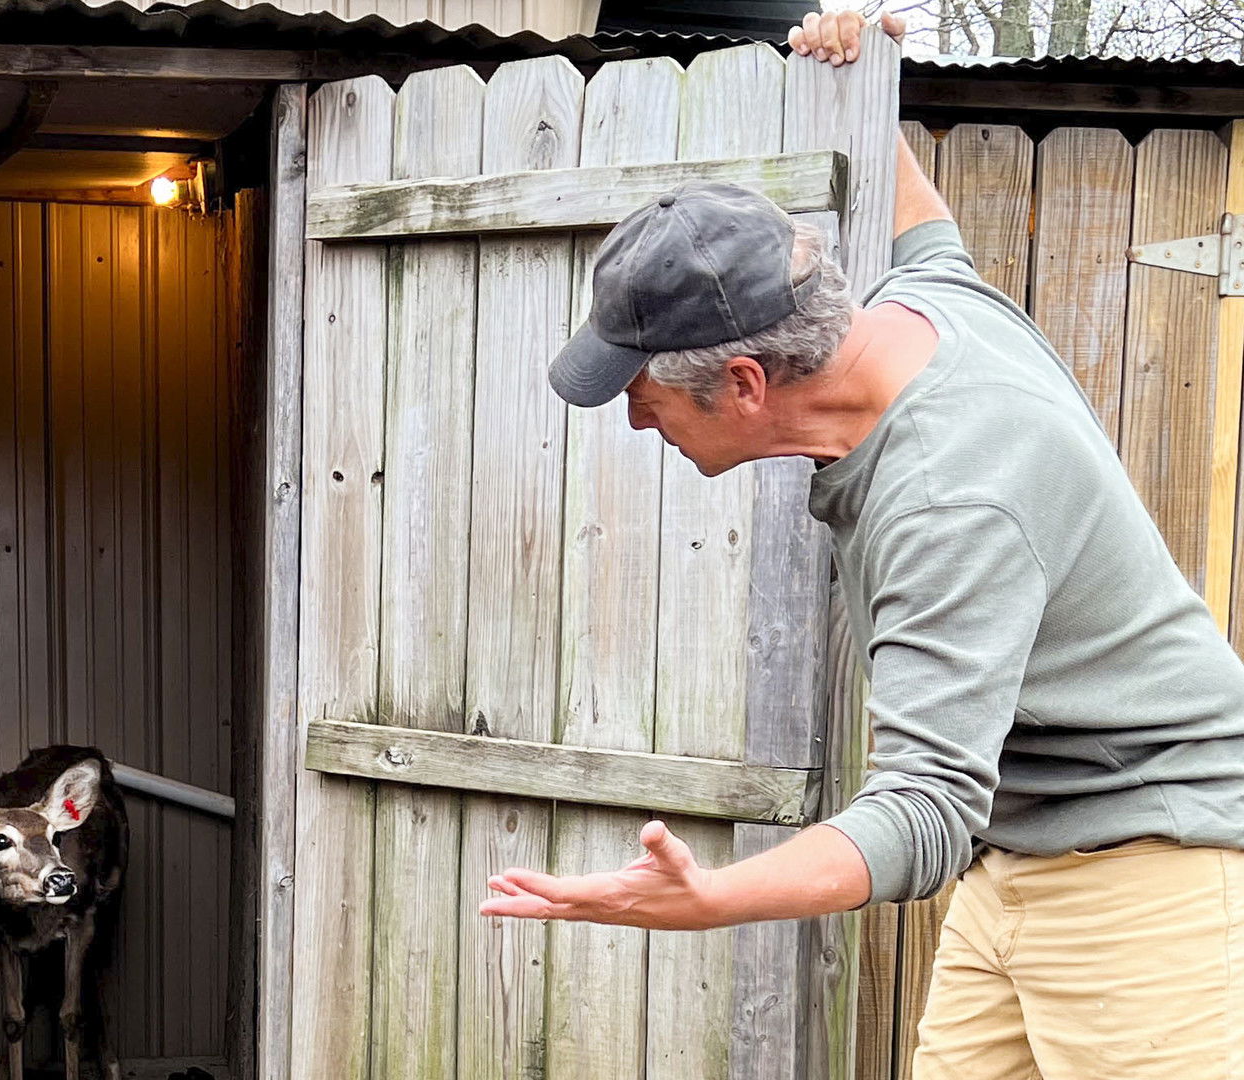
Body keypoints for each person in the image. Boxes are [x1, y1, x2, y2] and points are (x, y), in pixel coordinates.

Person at [480, 11, 1244, 1078]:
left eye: (643, 391)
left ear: (744, 382)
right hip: (1024, 862)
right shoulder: (924, 306)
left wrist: (710, 900)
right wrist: (856, 58)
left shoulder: (952, 498)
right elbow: (925, 224)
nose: (636, 418)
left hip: (1150, 875)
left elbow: (925, 808)